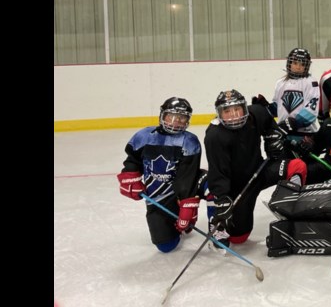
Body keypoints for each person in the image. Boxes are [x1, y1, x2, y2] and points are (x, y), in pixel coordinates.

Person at [205, 89, 299, 245]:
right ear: (219, 114)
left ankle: (292, 211)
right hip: (239, 186)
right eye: (227, 111)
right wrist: (221, 199)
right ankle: (212, 206)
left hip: (260, 171)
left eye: (237, 109)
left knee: (297, 166)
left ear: (245, 108)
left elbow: (269, 123)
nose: (234, 114)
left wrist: (272, 138)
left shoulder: (256, 113)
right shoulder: (215, 136)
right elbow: (218, 171)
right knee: (238, 238)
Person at [117, 97, 205, 253]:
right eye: (172, 117)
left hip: (178, 192)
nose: (176, 122)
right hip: (156, 197)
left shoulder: (189, 141)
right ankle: (174, 225)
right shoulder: (144, 136)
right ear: (162, 116)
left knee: (209, 183)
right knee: (166, 246)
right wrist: (131, 178)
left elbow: (188, 176)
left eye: (182, 118)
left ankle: (204, 223)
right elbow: (132, 160)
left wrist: (187, 206)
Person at [268, 47, 322, 156]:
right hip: (285, 134)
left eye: (302, 64)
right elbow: (278, 107)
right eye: (295, 62)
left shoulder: (311, 82)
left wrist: (293, 123)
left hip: (304, 135)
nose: (298, 66)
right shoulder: (280, 83)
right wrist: (265, 107)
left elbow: (311, 111)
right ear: (289, 63)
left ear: (307, 66)